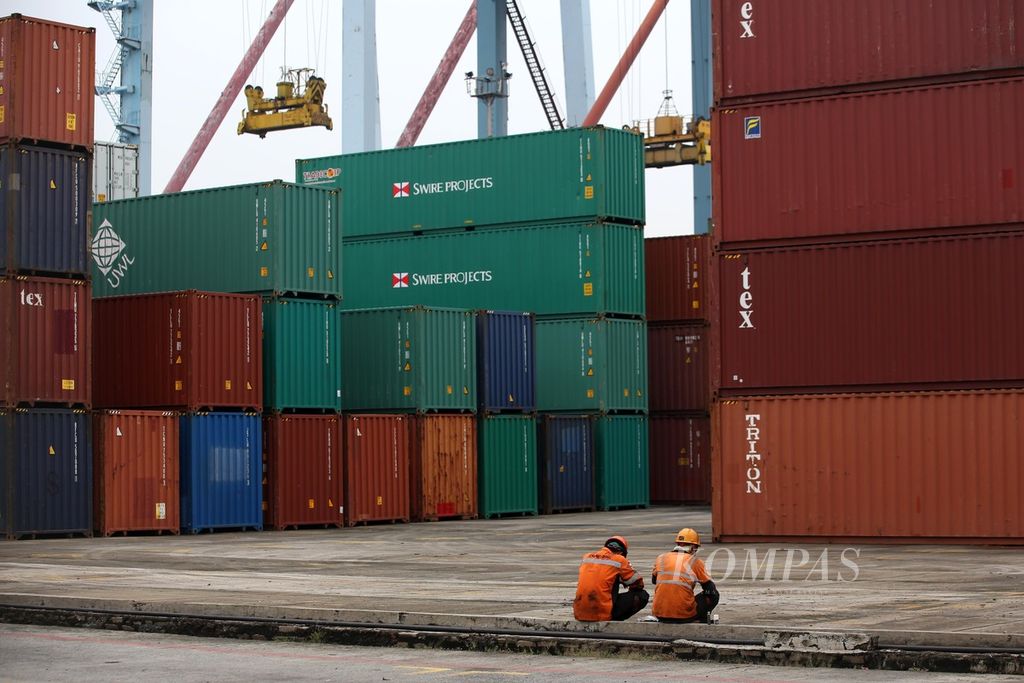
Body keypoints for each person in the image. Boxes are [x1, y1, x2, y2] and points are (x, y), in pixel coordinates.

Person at [650, 528, 720, 623]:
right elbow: (709, 588)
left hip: (660, 614)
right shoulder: (694, 561)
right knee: (714, 595)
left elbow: (654, 581)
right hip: (683, 615)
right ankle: (701, 620)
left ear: (678, 543)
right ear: (693, 547)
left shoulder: (661, 558)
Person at [573, 535, 649, 621]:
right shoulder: (619, 560)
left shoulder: (587, 557)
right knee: (642, 595)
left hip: (580, 612)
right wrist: (623, 580)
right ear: (621, 552)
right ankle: (613, 619)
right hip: (601, 613)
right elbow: (637, 583)